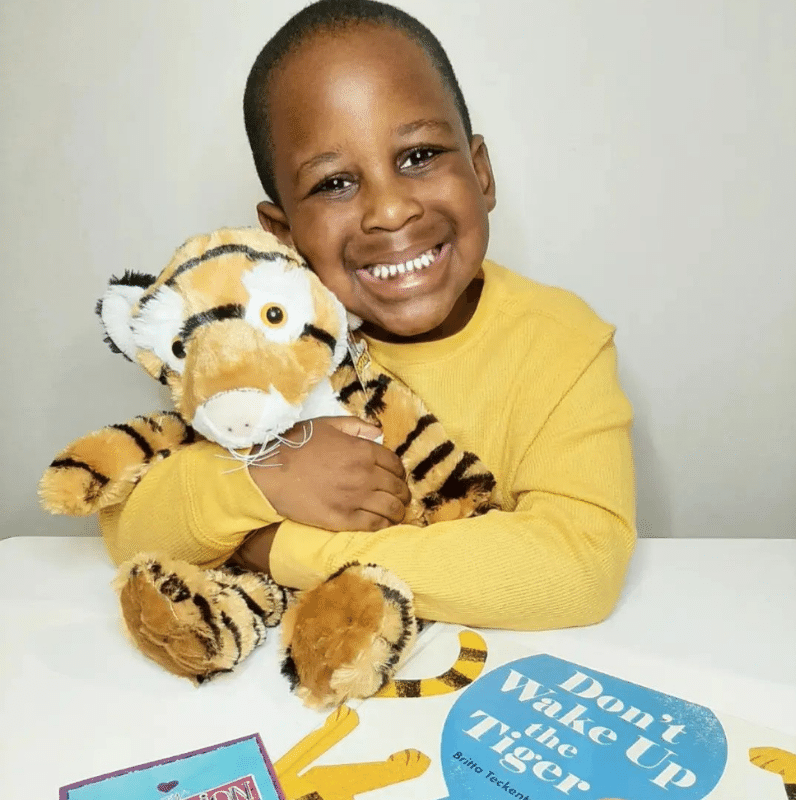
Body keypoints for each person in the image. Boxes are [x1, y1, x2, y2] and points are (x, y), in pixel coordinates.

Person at [99, 0, 636, 631]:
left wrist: (282, 549)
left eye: (419, 156)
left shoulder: (561, 340)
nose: (389, 211)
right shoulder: (265, 340)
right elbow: (128, 529)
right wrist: (263, 478)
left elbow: (580, 568)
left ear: (482, 173)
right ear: (283, 232)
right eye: (333, 184)